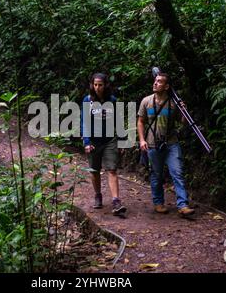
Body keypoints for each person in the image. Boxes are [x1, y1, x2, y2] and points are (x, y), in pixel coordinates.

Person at [137, 72, 195, 216]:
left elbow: (183, 123)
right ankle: (158, 203)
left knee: (177, 172)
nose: (155, 83)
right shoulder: (146, 101)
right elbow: (140, 121)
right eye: (155, 81)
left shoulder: (173, 104)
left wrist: (183, 111)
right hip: (152, 144)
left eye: (160, 82)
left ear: (167, 86)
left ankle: (183, 205)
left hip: (171, 143)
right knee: (156, 174)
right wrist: (142, 140)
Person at [81, 73, 126, 216]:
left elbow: (118, 121)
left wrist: (122, 140)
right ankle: (98, 195)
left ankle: (116, 201)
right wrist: (86, 141)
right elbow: (84, 122)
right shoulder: (88, 100)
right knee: (94, 170)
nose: (97, 87)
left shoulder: (112, 100)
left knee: (112, 169)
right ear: (92, 85)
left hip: (109, 140)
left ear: (105, 85)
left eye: (100, 85)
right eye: (95, 85)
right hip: (94, 141)